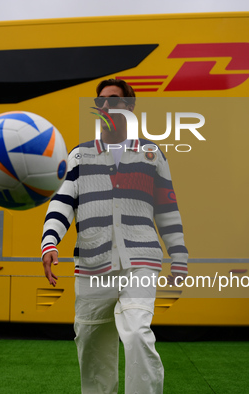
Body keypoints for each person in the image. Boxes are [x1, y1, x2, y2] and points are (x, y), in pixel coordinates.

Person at [41, 79, 188, 393]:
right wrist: (50, 241)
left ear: (130, 108)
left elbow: (167, 209)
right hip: (92, 265)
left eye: (114, 101)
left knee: (136, 333)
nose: (106, 106)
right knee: (91, 341)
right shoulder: (80, 155)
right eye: (101, 102)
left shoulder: (151, 154)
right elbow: (63, 202)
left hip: (141, 261)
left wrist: (179, 257)